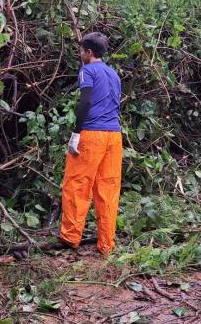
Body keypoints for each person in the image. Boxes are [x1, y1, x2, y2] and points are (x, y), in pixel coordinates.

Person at [59, 32, 123, 255]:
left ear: (88, 52)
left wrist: (76, 133)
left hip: (92, 134)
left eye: (81, 51)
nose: (80, 55)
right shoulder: (113, 74)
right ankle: (106, 244)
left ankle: (70, 236)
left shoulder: (87, 70)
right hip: (114, 136)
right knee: (108, 189)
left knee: (77, 183)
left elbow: (85, 102)